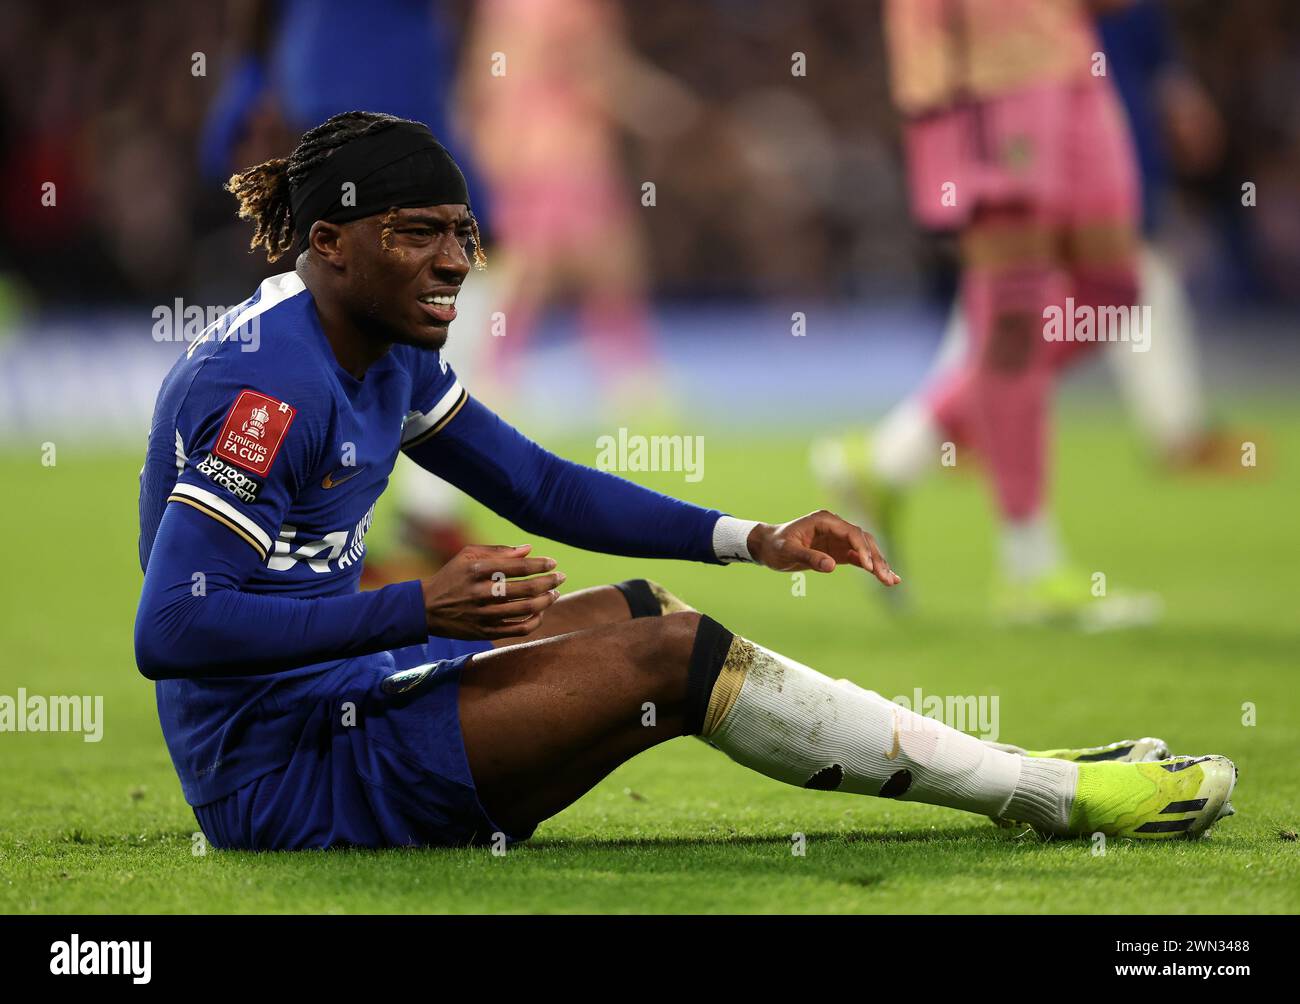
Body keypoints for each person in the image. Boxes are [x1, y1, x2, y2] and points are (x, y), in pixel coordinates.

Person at [134, 111, 1235, 850]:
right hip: (279, 771)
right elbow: (170, 632)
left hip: (340, 697)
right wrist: (419, 603)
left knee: (652, 614)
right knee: (670, 655)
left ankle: (1021, 769)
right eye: (419, 234)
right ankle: (1048, 793)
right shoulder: (266, 392)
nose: (458, 262)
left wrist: (750, 535)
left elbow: (542, 487)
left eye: (463, 234)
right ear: (329, 242)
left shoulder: (382, 346)